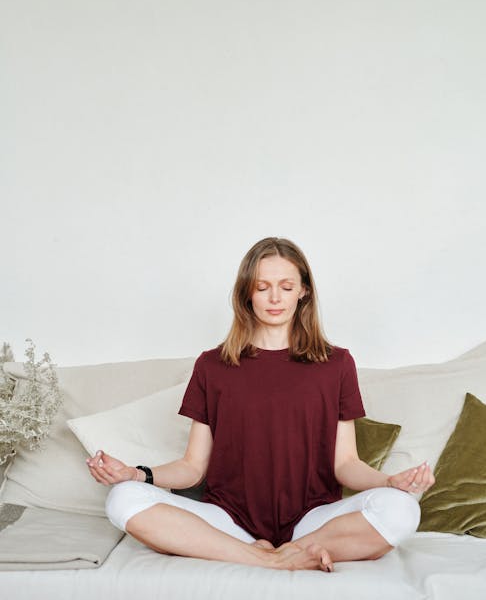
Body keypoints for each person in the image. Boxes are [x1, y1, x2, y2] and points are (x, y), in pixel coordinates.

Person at [87, 236, 434, 572]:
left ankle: (289, 549)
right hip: (229, 519)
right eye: (262, 286)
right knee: (123, 499)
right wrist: (136, 474)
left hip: (313, 521)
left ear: (304, 291)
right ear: (246, 293)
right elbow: (193, 467)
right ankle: (267, 558)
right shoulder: (212, 365)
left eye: (286, 286)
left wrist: (391, 483)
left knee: (402, 510)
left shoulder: (337, 364)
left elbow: (345, 464)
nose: (274, 298)